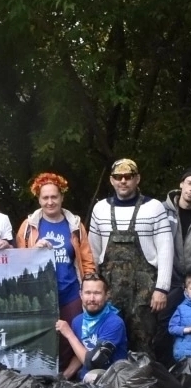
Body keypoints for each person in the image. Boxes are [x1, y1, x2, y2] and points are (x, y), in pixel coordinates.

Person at [89, 158, 173, 356]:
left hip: (145, 294)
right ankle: (106, 385)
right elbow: (93, 252)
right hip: (109, 292)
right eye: (118, 177)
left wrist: (162, 288)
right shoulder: (99, 209)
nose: (123, 181)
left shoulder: (154, 208)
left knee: (144, 345)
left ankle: (144, 384)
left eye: (129, 176)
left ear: (137, 179)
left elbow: (166, 250)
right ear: (111, 180)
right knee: (108, 343)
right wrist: (92, 288)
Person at [16, 171, 95, 370]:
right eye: (45, 197)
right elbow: (17, 263)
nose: (50, 202)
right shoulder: (28, 227)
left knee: (72, 335)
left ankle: (67, 376)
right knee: (42, 335)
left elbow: (87, 261)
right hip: (40, 294)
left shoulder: (75, 225)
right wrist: (35, 251)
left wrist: (88, 289)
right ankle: (41, 375)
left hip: (70, 291)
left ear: (61, 197)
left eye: (54, 197)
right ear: (39, 199)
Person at [56, 273, 128, 380]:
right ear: (81, 294)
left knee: (91, 376)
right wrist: (64, 377)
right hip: (86, 380)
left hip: (111, 380)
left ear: (106, 295)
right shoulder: (77, 321)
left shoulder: (114, 323)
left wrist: (69, 334)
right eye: (88, 293)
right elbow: (80, 352)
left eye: (97, 293)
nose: (92, 298)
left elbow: (93, 363)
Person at [159, 168, 191, 366]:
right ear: (181, 184)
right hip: (167, 279)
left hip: (190, 282)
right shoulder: (162, 209)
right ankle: (164, 372)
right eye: (189, 183)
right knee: (164, 325)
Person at [168, 274, 191, 362]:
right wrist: (187, 330)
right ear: (186, 291)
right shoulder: (181, 309)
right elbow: (171, 328)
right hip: (184, 353)